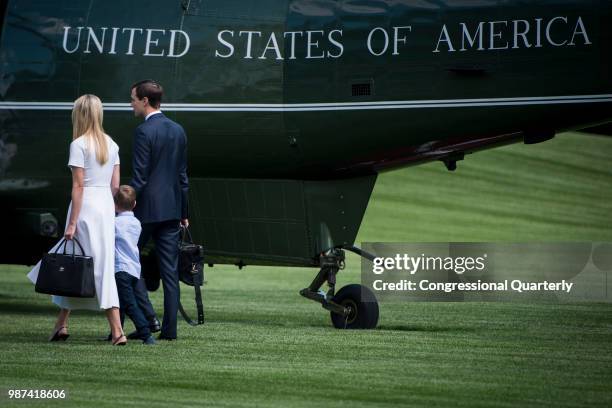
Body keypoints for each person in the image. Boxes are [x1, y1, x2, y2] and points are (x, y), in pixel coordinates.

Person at [27, 94, 127, 346]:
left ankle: (117, 331)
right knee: (84, 265)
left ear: (79, 114)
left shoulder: (79, 144)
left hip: (85, 209)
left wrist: (71, 223)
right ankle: (61, 324)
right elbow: (115, 186)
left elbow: (79, 186)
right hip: (104, 208)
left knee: (78, 264)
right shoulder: (111, 143)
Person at [129, 79, 189, 341]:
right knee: (170, 274)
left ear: (144, 100)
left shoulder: (143, 132)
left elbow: (140, 178)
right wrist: (183, 212)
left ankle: (142, 319)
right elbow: (183, 177)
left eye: (132, 98)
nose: (130, 103)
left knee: (127, 265)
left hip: (145, 210)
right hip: (172, 209)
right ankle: (169, 330)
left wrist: (124, 205)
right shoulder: (178, 130)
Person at [113, 185, 155, 345]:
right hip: (134, 269)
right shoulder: (137, 223)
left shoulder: (115, 224)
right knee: (120, 303)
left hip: (120, 268)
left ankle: (146, 334)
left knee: (129, 304)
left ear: (115, 205)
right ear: (135, 204)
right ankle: (116, 332)